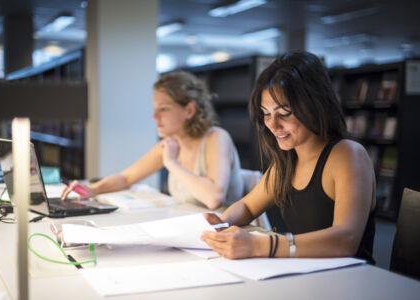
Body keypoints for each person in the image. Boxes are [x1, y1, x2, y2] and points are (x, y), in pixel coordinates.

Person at [201, 50, 376, 263]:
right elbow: (247, 206)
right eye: (266, 114)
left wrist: (259, 245)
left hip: (350, 282)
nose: (273, 125)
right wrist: (221, 225)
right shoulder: (288, 161)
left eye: (284, 113)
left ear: (315, 106)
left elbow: (345, 240)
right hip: (306, 275)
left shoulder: (347, 155)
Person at [61, 71, 244, 210]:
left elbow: (213, 198)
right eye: (155, 109)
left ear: (189, 110)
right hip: (193, 231)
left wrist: (171, 163)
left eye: (163, 109)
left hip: (225, 235)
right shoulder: (171, 143)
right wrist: (93, 189)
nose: (154, 117)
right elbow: (126, 178)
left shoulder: (216, 138)